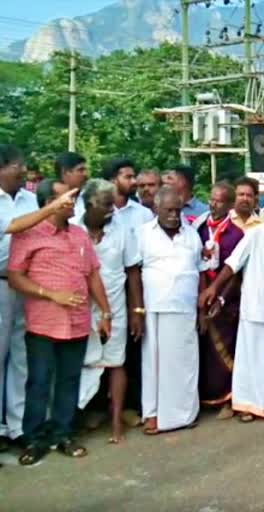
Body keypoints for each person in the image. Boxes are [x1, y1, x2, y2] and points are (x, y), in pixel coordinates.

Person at [8, 178, 111, 465]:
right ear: (46, 204)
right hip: (43, 323)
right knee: (39, 383)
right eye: (64, 199)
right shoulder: (28, 234)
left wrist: (105, 312)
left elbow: (92, 275)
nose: (71, 204)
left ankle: (64, 434)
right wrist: (52, 294)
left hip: (77, 322)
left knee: (69, 381)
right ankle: (34, 439)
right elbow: (16, 277)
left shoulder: (79, 235)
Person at [0, 146, 79, 449]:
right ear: (3, 167)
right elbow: (14, 227)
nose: (24, 170)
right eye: (19, 165)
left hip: (28, 286)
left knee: (22, 357)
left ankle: (19, 428)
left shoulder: (28, 199)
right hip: (2, 285)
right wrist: (53, 206)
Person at [199, 195, 264, 421]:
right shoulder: (254, 234)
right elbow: (233, 264)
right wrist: (214, 290)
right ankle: (245, 407)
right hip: (253, 307)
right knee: (249, 359)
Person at [74, 179, 142, 444]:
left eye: (112, 204)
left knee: (116, 363)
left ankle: (115, 425)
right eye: (105, 205)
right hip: (79, 309)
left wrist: (137, 310)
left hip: (116, 307)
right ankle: (76, 422)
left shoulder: (122, 230)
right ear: (89, 204)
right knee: (80, 365)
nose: (111, 210)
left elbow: (133, 271)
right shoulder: (73, 230)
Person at [138, 186, 206, 434]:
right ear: (156, 209)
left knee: (185, 364)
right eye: (168, 210)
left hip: (185, 308)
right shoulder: (144, 233)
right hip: (155, 308)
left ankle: (184, 415)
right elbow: (133, 271)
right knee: (154, 364)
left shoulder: (191, 235)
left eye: (177, 210)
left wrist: (201, 308)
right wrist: (137, 309)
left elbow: (200, 272)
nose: (174, 215)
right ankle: (153, 414)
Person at [196, 183, 244, 419]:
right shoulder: (199, 229)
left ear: (230, 205)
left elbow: (236, 272)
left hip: (227, 302)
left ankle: (228, 397)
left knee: (226, 351)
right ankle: (206, 398)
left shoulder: (236, 234)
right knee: (205, 352)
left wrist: (222, 298)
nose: (213, 204)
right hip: (201, 296)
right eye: (211, 199)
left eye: (219, 201)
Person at [102, 158, 154, 231]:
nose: (134, 181)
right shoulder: (99, 213)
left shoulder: (144, 213)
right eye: (128, 177)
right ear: (113, 180)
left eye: (133, 177)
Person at [56, 152, 88, 218]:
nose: (85, 174)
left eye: (85, 170)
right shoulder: (53, 201)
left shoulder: (90, 197)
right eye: (80, 170)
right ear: (65, 172)